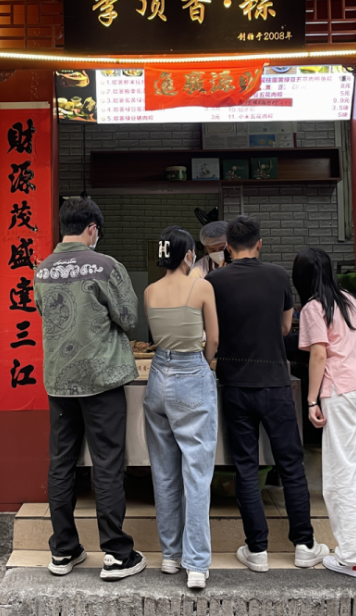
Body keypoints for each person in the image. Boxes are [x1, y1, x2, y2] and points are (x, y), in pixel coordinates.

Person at [206, 215, 329, 572]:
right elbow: (286, 327)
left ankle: (256, 549)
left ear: (227, 247)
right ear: (259, 244)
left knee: (246, 467)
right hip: (275, 382)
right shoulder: (277, 276)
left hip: (234, 384)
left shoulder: (214, 281)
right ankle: (304, 544)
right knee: (290, 464)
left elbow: (211, 331)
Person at [34, 197, 147, 581]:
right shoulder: (106, 266)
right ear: (92, 228)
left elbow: (43, 313)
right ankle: (116, 553)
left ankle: (63, 550)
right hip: (102, 379)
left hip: (59, 381)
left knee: (61, 464)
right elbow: (129, 318)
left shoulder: (43, 270)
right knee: (107, 464)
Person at [293, 248, 356, 579]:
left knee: (338, 477)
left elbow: (319, 354)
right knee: (354, 464)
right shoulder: (349, 300)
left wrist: (311, 400)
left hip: (343, 391)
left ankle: (354, 557)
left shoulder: (313, 307)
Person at [143, 226, 220, 590]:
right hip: (192, 372)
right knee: (197, 473)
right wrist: (204, 365)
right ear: (189, 254)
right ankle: (197, 564)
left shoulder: (150, 291)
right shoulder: (201, 286)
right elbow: (213, 338)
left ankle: (171, 556)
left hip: (158, 376)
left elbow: (157, 338)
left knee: (164, 472)